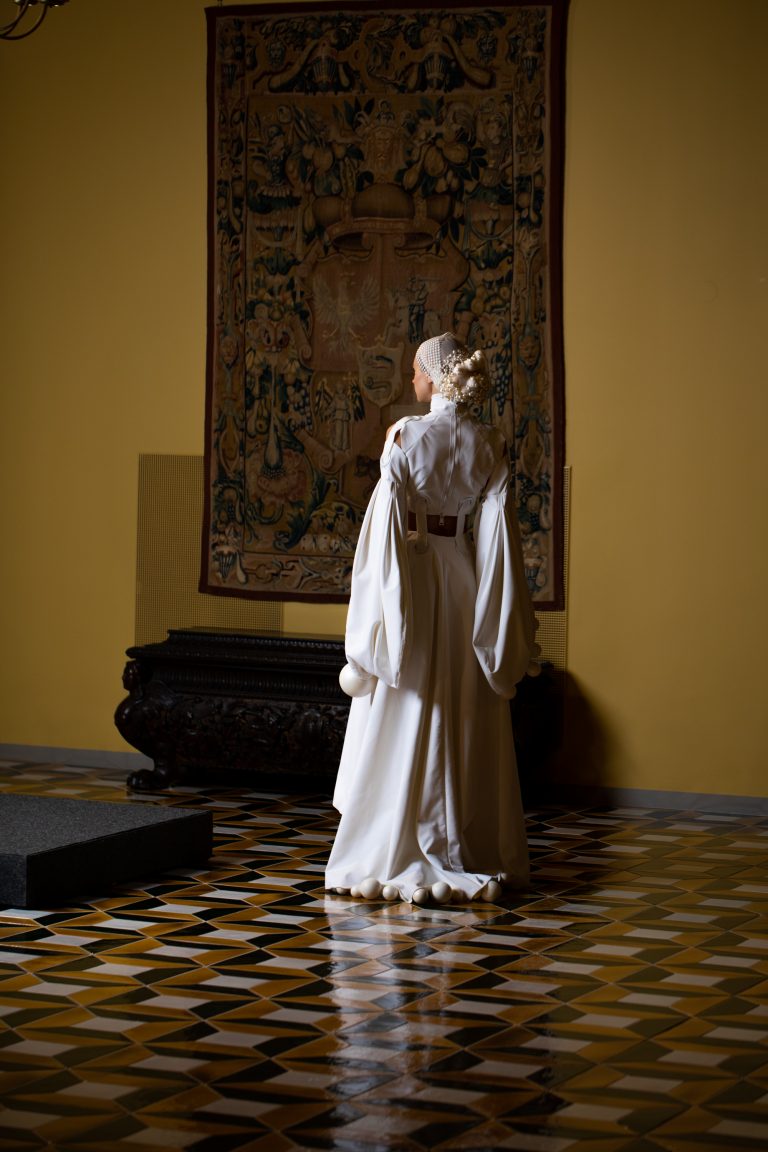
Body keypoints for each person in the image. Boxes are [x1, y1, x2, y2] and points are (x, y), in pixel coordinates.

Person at [325, 332, 539, 905]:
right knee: (462, 700)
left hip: (414, 578)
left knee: (412, 692)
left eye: (416, 369)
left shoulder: (405, 435)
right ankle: (462, 843)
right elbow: (498, 533)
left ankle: (391, 845)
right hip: (464, 577)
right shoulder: (489, 441)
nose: (411, 378)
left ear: (434, 376)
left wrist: (378, 611)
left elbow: (384, 529)